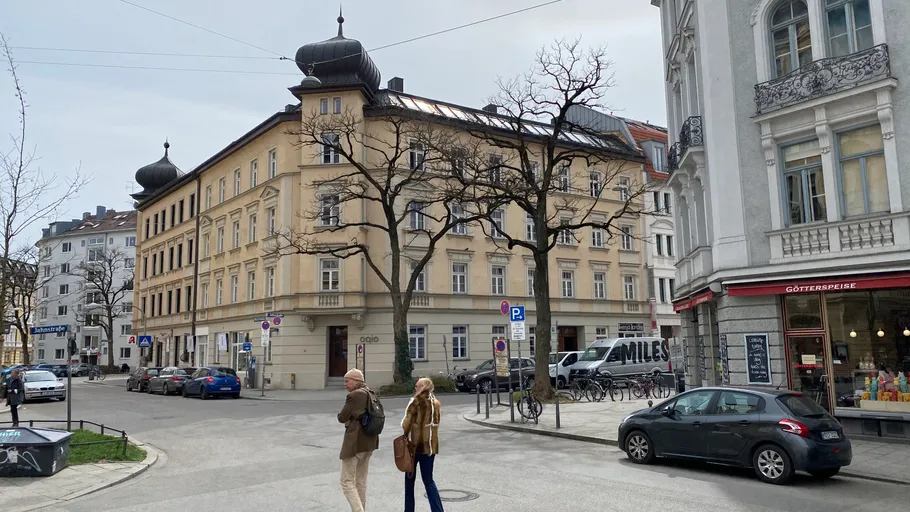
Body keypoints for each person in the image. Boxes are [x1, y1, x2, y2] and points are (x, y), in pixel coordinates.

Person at [337, 368, 379, 512]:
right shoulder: (371, 393)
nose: (345, 384)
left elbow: (342, 417)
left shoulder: (354, 395)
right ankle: (362, 508)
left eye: (347, 381)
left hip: (355, 443)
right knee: (361, 481)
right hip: (369, 442)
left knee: (346, 481)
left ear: (356, 381)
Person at [401, 377, 444, 512]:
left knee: (409, 483)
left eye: (417, 385)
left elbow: (406, 425)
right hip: (430, 447)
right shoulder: (436, 403)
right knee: (429, 481)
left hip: (414, 447)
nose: (415, 387)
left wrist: (406, 427)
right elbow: (437, 423)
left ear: (423, 387)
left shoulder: (415, 402)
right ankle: (438, 510)